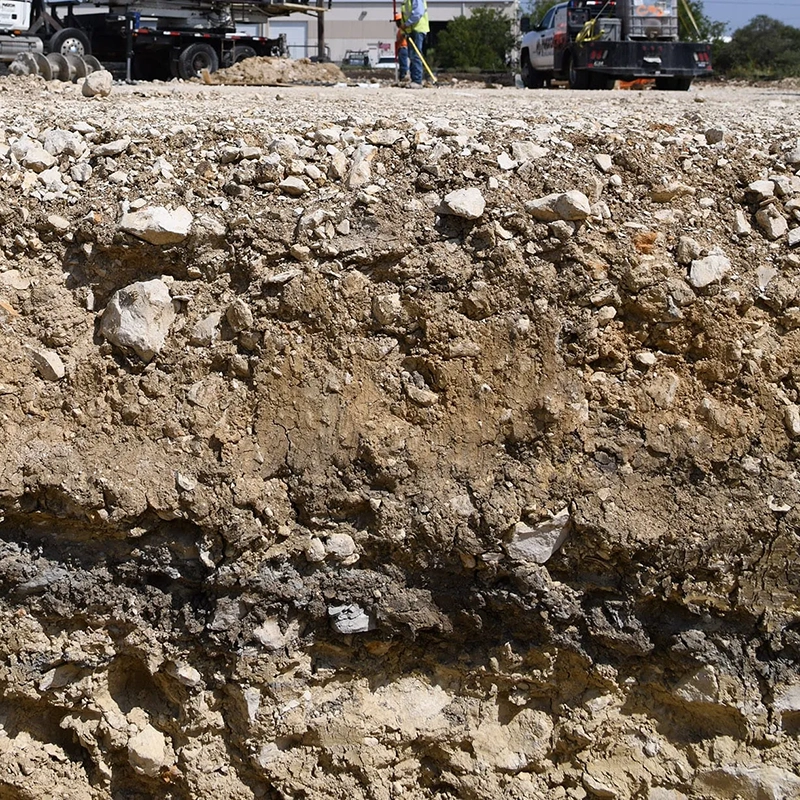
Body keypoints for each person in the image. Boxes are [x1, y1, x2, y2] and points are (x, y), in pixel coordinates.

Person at [400, 0, 428, 89]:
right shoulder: (407, 1)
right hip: (412, 30)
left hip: (417, 29)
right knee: (412, 55)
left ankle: (417, 80)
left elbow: (417, 13)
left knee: (415, 55)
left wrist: (406, 24)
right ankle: (415, 79)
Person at [394, 14, 409, 82]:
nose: (397, 23)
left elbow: (404, 36)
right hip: (401, 48)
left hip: (403, 48)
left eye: (398, 21)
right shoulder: (400, 30)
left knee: (403, 64)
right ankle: (402, 77)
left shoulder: (402, 29)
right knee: (402, 64)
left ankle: (403, 77)